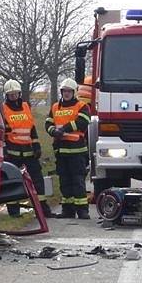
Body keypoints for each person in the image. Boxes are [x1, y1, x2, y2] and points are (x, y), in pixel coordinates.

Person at [1, 79, 54, 218]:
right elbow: (2, 133)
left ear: (19, 94)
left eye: (15, 94)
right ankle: (14, 212)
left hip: (29, 152)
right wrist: (5, 149)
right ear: (6, 95)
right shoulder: (3, 110)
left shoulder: (26, 106)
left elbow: (31, 128)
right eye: (10, 94)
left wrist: (36, 145)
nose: (13, 96)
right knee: (12, 181)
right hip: (13, 153)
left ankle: (43, 209)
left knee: (37, 180)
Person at [45, 78, 91, 219]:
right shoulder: (55, 107)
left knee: (78, 181)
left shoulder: (82, 106)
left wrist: (64, 128)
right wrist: (53, 131)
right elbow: (48, 124)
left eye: (69, 91)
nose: (66, 94)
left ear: (74, 92)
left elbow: (83, 122)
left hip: (77, 151)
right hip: (61, 151)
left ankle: (82, 210)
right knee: (64, 182)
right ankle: (68, 210)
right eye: (64, 91)